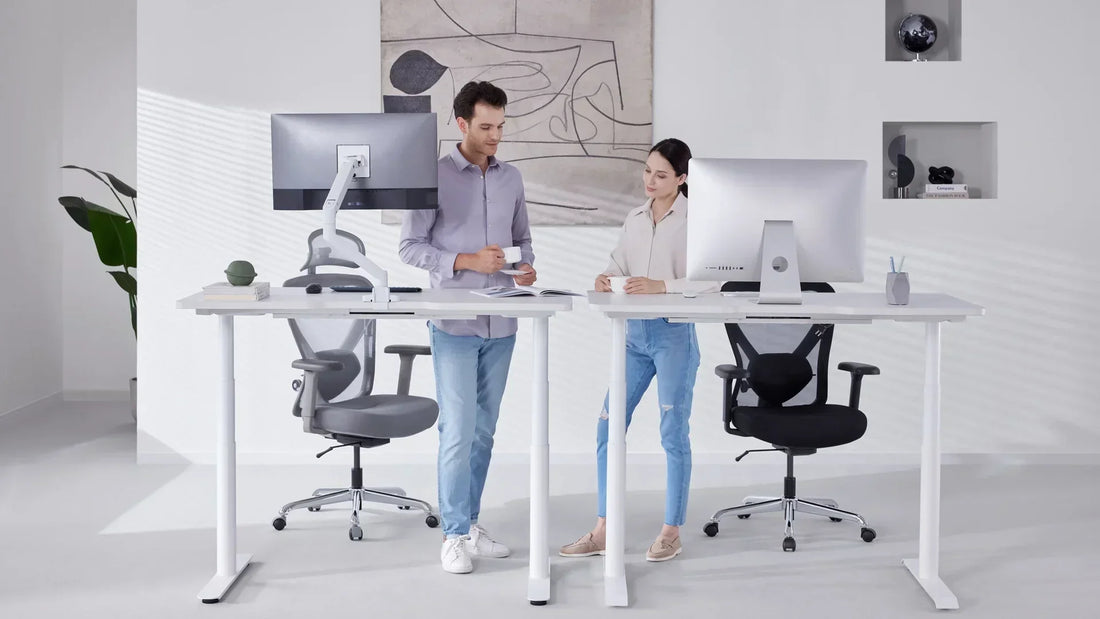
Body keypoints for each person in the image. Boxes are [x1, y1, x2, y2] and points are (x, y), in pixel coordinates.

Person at [399, 81, 537, 574]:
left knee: (483, 433)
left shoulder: (511, 178)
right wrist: (466, 261)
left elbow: (523, 240)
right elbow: (410, 247)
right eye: (486, 127)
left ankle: (471, 523)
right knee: (457, 431)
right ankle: (453, 535)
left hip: (503, 321)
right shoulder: (431, 177)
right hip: (454, 321)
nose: (496, 135)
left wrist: (525, 267)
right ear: (461, 123)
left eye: (500, 126)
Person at [559, 138, 715, 562]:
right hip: (632, 336)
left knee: (672, 433)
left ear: (682, 179)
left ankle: (671, 531)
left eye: (661, 174)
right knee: (608, 428)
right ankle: (604, 529)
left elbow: (712, 280)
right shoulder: (634, 218)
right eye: (647, 171)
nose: (650, 180)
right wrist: (605, 278)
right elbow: (619, 266)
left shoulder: (697, 220)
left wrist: (663, 286)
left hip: (673, 335)